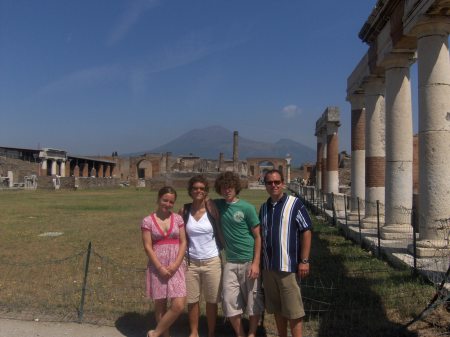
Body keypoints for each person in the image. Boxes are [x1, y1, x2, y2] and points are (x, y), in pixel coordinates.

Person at [259, 169, 312, 337]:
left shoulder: (294, 203)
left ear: (283, 183)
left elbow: (307, 231)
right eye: (269, 182)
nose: (273, 185)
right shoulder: (264, 207)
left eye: (276, 182)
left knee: (293, 311)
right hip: (268, 267)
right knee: (276, 308)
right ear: (265, 185)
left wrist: (304, 260)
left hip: (288, 267)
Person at [214, 171, 264, 337]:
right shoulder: (218, 205)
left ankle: (252, 333)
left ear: (236, 188)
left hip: (249, 260)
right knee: (228, 300)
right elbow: (199, 202)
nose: (227, 190)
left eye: (230, 187)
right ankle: (240, 333)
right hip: (231, 261)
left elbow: (258, 236)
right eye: (223, 187)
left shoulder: (247, 208)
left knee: (253, 299)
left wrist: (256, 263)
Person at [180, 175, 225, 337]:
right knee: (192, 300)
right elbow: (179, 236)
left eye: (202, 188)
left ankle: (211, 332)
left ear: (206, 191)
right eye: (195, 188)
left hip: (212, 261)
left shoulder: (212, 209)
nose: (198, 191)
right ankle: (194, 332)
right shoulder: (184, 210)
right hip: (191, 262)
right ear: (190, 191)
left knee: (212, 301)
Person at [141, 186, 187, 337]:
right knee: (160, 304)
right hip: (157, 265)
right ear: (158, 199)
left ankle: (154, 333)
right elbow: (148, 246)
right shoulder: (148, 221)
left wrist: (175, 264)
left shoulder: (178, 219)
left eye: (171, 202)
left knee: (179, 304)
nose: (167, 204)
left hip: (176, 264)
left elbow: (183, 242)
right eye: (165, 200)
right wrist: (160, 267)